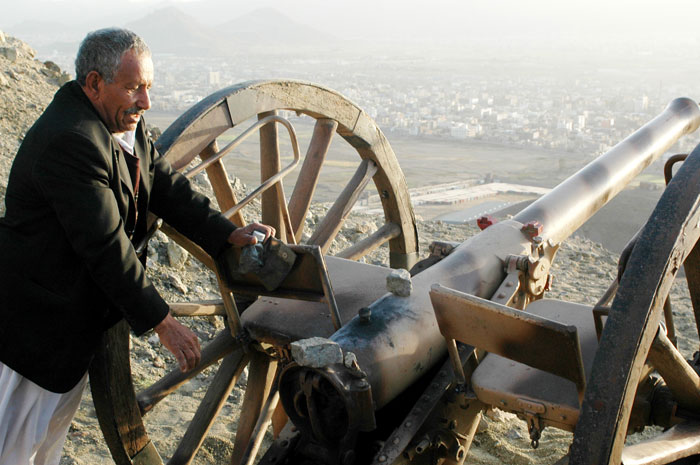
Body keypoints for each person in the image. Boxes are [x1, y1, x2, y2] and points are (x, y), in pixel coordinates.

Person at [0, 28, 274, 465]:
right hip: (35, 327)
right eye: (133, 88)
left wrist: (225, 233)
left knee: (45, 443)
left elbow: (163, 184)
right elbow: (105, 245)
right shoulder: (71, 140)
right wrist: (163, 322)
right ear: (93, 83)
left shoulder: (119, 121)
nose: (144, 102)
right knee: (13, 444)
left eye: (148, 87)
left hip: (72, 325)